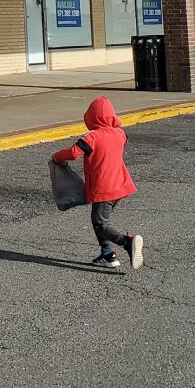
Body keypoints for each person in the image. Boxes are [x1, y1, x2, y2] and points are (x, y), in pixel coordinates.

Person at [52, 96, 144, 270]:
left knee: (100, 224)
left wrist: (56, 156)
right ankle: (107, 254)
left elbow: (73, 153)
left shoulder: (92, 138)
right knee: (101, 221)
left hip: (104, 187)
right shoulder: (120, 133)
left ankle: (127, 242)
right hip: (121, 185)